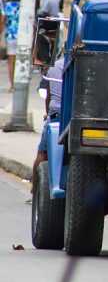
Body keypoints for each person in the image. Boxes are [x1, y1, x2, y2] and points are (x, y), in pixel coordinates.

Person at [30, 58, 64, 196]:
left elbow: (48, 97)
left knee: (42, 153)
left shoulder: (54, 66)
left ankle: (34, 190)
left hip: (55, 114)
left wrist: (47, 114)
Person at [2, 0, 21, 90]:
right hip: (23, 36)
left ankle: (12, 85)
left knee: (11, 61)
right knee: (20, 60)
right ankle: (19, 81)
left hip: (10, 36)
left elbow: (3, 20)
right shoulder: (24, 6)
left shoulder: (7, 6)